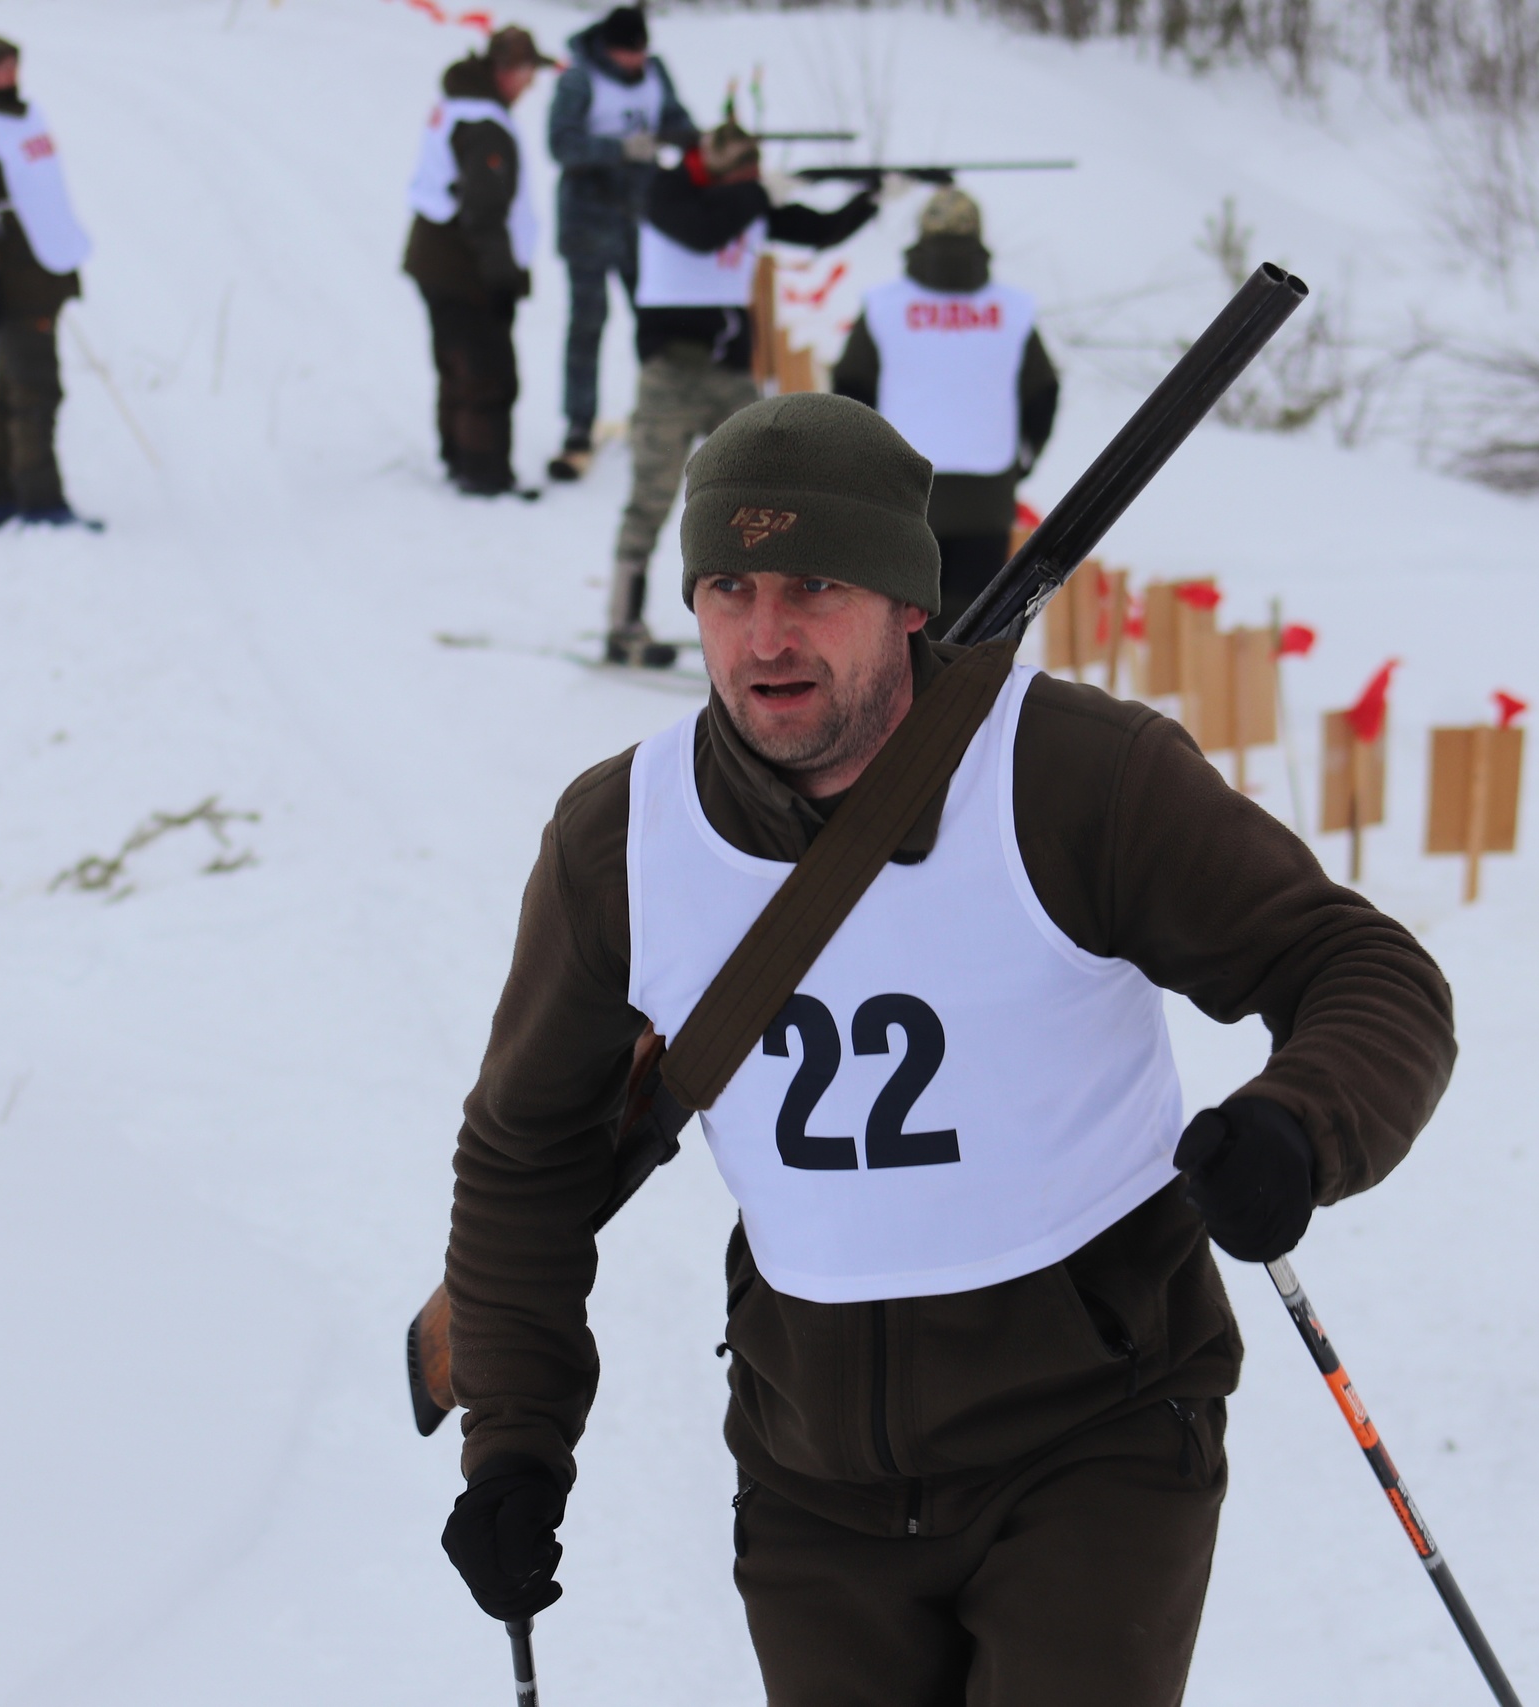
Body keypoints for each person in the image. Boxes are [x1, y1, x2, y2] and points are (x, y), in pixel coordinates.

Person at [438, 392, 1457, 1703]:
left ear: (910, 600)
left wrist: (1299, 1123)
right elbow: (525, 1147)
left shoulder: (1072, 776)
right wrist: (515, 1443)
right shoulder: (620, 840)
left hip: (1096, 1433)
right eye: (730, 585)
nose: (766, 634)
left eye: (815, 581)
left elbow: (1368, 972)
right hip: (810, 1479)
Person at [602, 126, 881, 667]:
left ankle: (765, 624)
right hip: (671, 373)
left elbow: (818, 229)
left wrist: (870, 198)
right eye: (742, 179)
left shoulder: (744, 204)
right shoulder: (666, 192)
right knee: (653, 495)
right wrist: (760, 194)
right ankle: (621, 622)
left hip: (730, 373)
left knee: (757, 501)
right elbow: (700, 231)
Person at [833, 186, 1059, 617]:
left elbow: (850, 386)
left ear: (921, 236)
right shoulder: (1011, 309)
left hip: (904, 490)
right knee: (974, 625)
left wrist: (863, 463)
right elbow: (1041, 392)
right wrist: (1023, 457)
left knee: (904, 620)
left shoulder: (884, 305)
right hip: (987, 493)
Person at [0, 35, 97, 531]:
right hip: (12, 282)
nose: (10, 75)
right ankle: (41, 501)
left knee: (12, 385)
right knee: (35, 390)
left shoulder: (25, 120)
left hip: (43, 273)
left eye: (12, 65)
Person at [544, 5, 698, 483]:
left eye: (640, 51)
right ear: (609, 47)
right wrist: (620, 148)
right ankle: (578, 425)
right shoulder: (578, 80)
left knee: (653, 321)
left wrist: (670, 139)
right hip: (588, 222)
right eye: (627, 52)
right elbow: (561, 144)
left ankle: (659, 417)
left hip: (642, 220)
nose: (635, 61)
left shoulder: (656, 72)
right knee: (588, 324)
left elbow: (681, 122)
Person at [403, 26, 549, 498]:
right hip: (463, 269)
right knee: (487, 373)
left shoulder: (460, 105)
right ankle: (483, 475)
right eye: (529, 73)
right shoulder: (485, 124)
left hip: (438, 260)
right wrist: (502, 279)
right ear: (509, 72)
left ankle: (459, 459)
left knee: (457, 365)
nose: (532, 84)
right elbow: (485, 211)